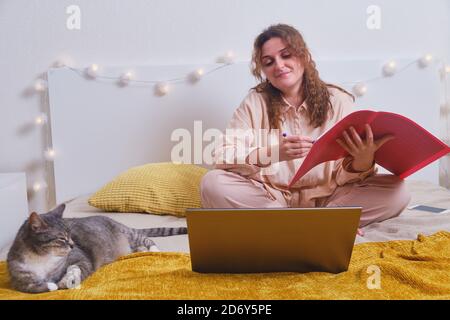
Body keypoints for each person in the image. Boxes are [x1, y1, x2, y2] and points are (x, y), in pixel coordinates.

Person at [200, 24, 411, 232]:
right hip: (272, 200)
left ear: (303, 56)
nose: (279, 65)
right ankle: (314, 225)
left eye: (286, 55)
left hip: (332, 198)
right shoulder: (254, 102)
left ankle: (323, 220)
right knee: (212, 183)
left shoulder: (338, 100)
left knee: (398, 191)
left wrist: (362, 161)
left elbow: (345, 177)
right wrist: (272, 153)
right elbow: (223, 156)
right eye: (269, 61)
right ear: (263, 70)